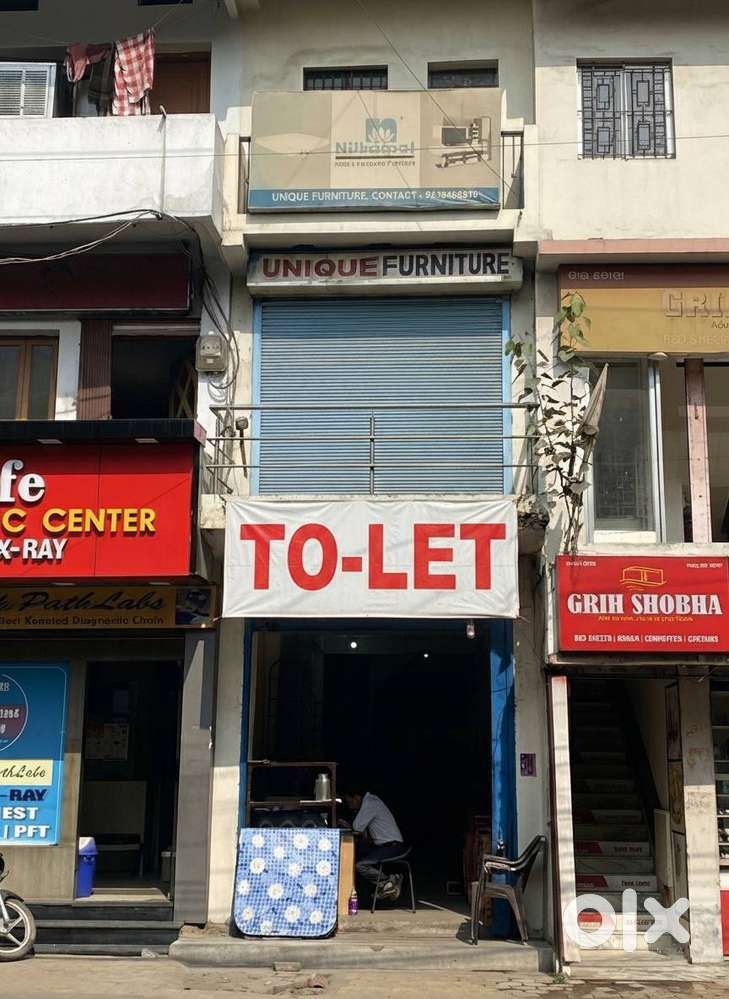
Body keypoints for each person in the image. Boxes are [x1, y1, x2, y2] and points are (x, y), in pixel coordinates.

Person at [343, 787, 407, 900]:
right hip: (386, 846)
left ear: (357, 798)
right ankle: (382, 888)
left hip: (392, 846)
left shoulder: (370, 803)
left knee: (360, 865)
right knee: (361, 853)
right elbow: (362, 834)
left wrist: (349, 823)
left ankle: (389, 881)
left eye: (350, 802)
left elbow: (357, 827)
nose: (349, 806)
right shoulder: (370, 802)